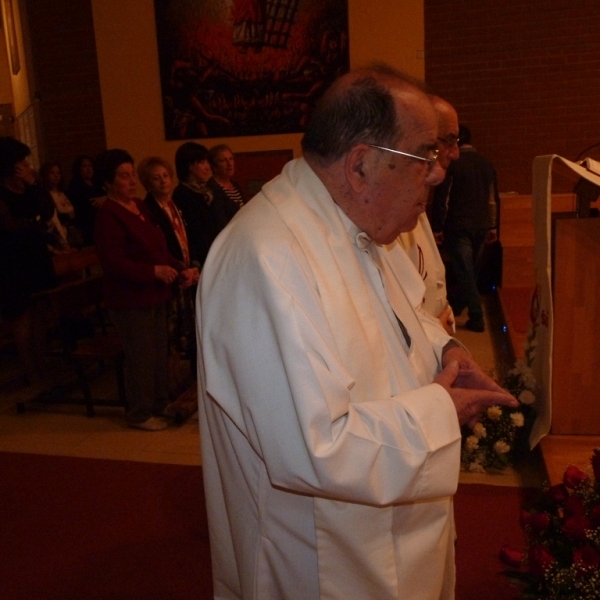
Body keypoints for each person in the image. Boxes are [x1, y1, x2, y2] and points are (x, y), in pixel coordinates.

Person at [197, 66, 518, 599]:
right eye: (425, 156)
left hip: (392, 533)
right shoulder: (265, 256)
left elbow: (407, 319)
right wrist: (444, 408)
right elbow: (313, 446)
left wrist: (451, 350)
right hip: (326, 559)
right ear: (362, 164)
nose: (438, 174)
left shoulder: (358, 225)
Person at [94, 149, 196, 431]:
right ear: (108, 182)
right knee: (141, 357)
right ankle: (140, 413)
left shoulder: (139, 206)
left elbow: (158, 247)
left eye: (131, 174)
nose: (131, 181)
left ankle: (160, 403)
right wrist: (153, 272)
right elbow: (114, 263)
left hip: (156, 293)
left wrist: (178, 268)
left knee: (159, 352)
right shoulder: (109, 215)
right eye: (124, 176)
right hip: (130, 299)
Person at [0, 137, 58, 398]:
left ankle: (44, 369)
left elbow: (47, 210)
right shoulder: (1, 192)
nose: (26, 165)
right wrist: (35, 225)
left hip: (35, 259)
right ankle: (32, 374)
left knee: (38, 317)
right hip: (12, 263)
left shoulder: (29, 188)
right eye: (21, 161)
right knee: (22, 318)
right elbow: (9, 226)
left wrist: (33, 183)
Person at [398, 95, 460, 334]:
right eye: (450, 141)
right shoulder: (387, 214)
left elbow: (433, 279)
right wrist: (434, 332)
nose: (455, 153)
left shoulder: (417, 197)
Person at [137, 155, 199, 393]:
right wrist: (181, 270)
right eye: (156, 178)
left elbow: (184, 239)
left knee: (188, 331)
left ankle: (186, 380)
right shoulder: (149, 210)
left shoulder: (173, 204)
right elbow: (158, 249)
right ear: (147, 183)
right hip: (169, 278)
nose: (163, 182)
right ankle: (170, 385)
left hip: (184, 272)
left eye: (165, 176)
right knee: (171, 336)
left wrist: (191, 266)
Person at [431, 125, 500, 333]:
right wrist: (493, 225)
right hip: (481, 225)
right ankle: (460, 305)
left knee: (465, 271)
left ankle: (477, 317)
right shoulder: (487, 165)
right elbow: (492, 200)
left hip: (459, 224)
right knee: (470, 271)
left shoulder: (453, 164)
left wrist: (437, 227)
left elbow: (443, 198)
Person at [172, 142, 239, 268]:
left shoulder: (208, 190)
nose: (207, 167)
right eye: (202, 163)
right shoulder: (183, 194)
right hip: (201, 259)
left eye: (207, 162)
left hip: (218, 253)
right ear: (190, 166)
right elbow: (195, 231)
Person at [39, 161, 83, 249]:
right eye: (52, 172)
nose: (56, 175)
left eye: (58, 172)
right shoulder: (45, 195)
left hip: (71, 232)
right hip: (57, 235)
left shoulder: (63, 192)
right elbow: (53, 219)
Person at [67, 154, 106, 246]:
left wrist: (104, 198)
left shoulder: (97, 182)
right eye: (84, 166)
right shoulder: (75, 185)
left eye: (90, 166)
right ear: (79, 169)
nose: (88, 169)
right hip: (86, 225)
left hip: (102, 223)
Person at [207, 144, 246, 211]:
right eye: (223, 160)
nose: (229, 164)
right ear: (214, 166)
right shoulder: (212, 188)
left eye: (231, 159)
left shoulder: (235, 185)